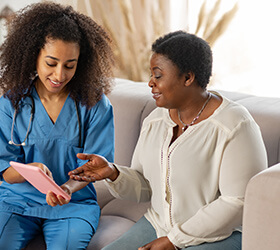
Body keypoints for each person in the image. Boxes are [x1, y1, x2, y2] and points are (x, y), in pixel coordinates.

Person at [69, 31, 268, 250]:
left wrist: (175, 241)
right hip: (159, 226)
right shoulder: (155, 121)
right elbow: (145, 187)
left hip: (221, 235)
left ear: (187, 78)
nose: (150, 83)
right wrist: (113, 173)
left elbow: (237, 202)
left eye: (158, 75)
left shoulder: (235, 125)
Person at [0, 2, 115, 249]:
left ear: (81, 63)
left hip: (72, 202)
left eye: (70, 65)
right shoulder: (9, 105)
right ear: (33, 56)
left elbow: (94, 167)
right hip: (17, 202)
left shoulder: (95, 105)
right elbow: (4, 170)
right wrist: (29, 169)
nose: (59, 75)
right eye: (51, 63)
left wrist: (65, 189)